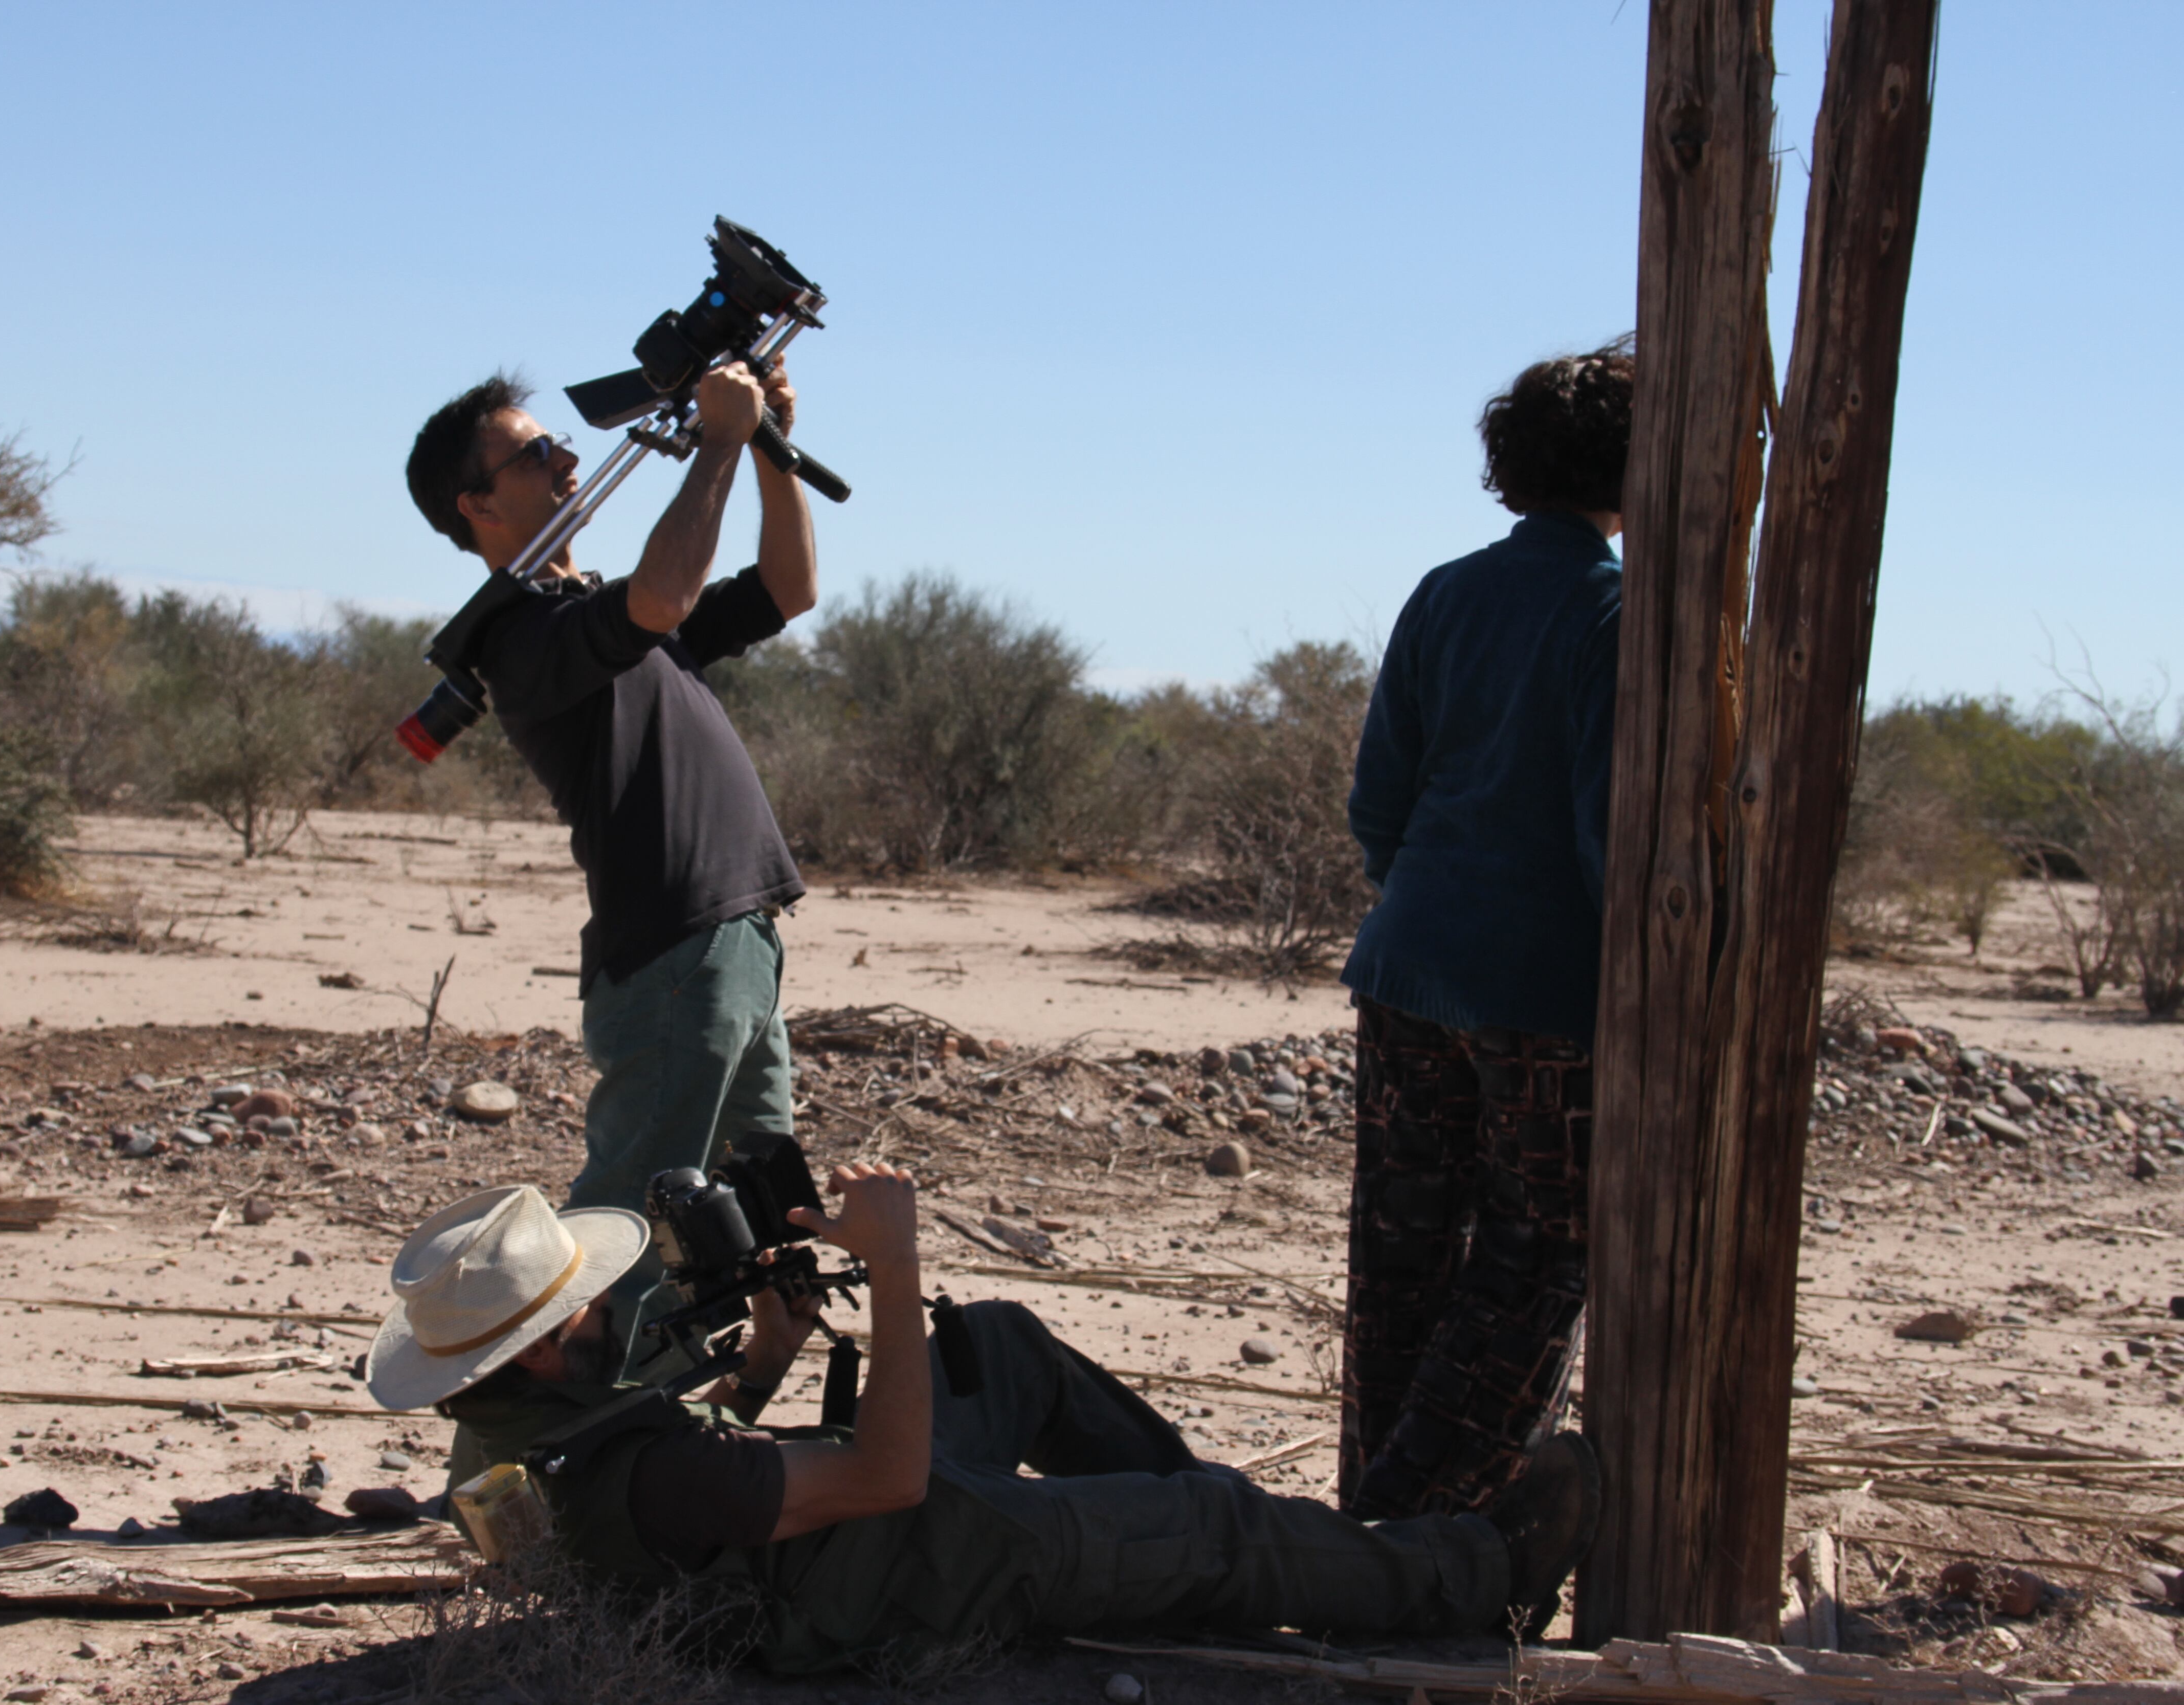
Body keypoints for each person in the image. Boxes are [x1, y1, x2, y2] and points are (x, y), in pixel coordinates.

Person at [367, 1173, 1601, 1674]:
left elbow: (660, 1472)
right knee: (1211, 1518)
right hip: (922, 1571)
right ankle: (1484, 1576)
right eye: (577, 1307)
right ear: (537, 1339)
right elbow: (888, 1474)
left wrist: (774, 1353)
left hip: (820, 1544)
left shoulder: (516, 1435)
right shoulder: (654, 1483)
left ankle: (1200, 1561)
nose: (599, 1314)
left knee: (1000, 1344)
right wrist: (894, 1272)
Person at [403, 359, 815, 1362]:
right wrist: (716, 439)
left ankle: (737, 1392)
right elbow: (666, 595)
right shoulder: (524, 635)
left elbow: (787, 589)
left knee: (764, 1196)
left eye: (555, 442)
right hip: (673, 955)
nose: (565, 457)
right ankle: (568, 1441)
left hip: (739, 937)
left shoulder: (596, 604)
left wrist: (765, 446)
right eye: (533, 452)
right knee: (630, 1216)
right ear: (477, 503)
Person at [1335, 342, 1633, 1523]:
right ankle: (1415, 1539)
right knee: (1535, 1262)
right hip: (1545, 996)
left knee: (1399, 1259)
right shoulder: (1615, 613)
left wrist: (1427, 906)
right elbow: (1612, 834)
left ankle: (1363, 1517)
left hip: (1407, 965)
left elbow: (1379, 801)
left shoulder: (1446, 590)